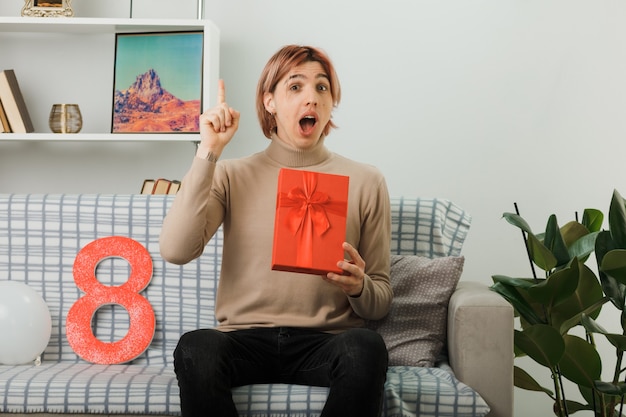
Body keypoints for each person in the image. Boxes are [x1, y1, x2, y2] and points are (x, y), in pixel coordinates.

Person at [159, 44, 392, 417]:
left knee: (366, 346)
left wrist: (360, 286)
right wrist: (208, 152)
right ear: (270, 102)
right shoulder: (231, 175)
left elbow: (380, 299)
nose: (311, 99)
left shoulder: (366, 180)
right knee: (195, 346)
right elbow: (175, 250)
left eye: (322, 88)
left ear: (332, 102)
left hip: (326, 343)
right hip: (242, 341)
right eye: (295, 87)